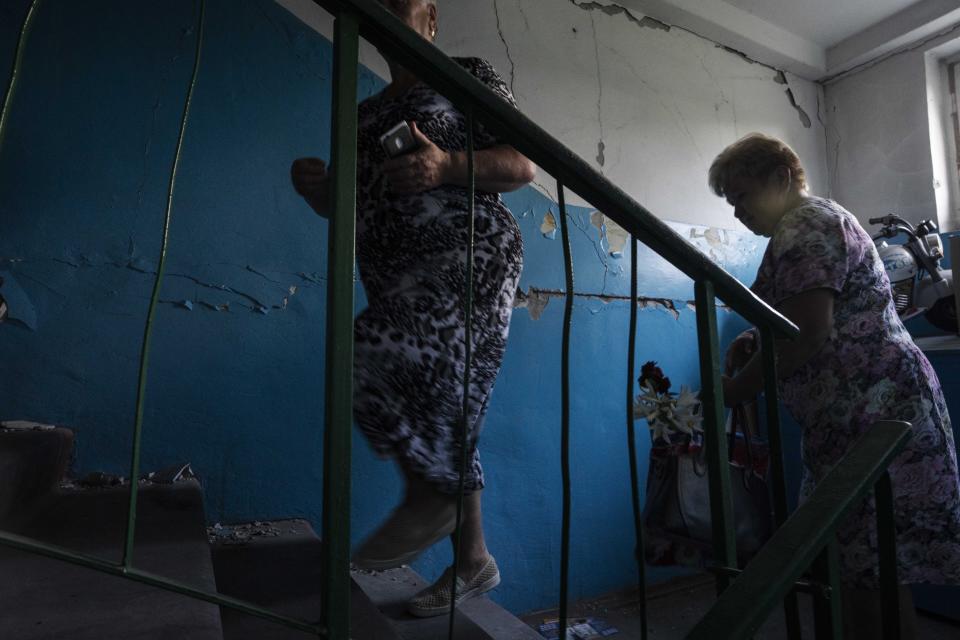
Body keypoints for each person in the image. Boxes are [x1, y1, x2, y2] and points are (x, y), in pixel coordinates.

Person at [290, 0, 535, 618]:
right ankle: (474, 559)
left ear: (429, 18)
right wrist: (323, 192)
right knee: (447, 409)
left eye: (402, 2)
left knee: (370, 352)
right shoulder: (366, 112)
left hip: (467, 255)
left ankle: (432, 496)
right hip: (394, 274)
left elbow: (522, 161)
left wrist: (447, 163)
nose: (385, 11)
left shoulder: (466, 74)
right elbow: (354, 204)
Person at [711, 132, 960, 639]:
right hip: (856, 422)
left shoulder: (806, 224)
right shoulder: (801, 229)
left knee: (869, 575)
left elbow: (809, 332)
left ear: (781, 178)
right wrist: (755, 341)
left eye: (742, 195)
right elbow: (796, 316)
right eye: (730, 201)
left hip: (876, 418)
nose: (737, 212)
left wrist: (735, 391)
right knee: (865, 573)